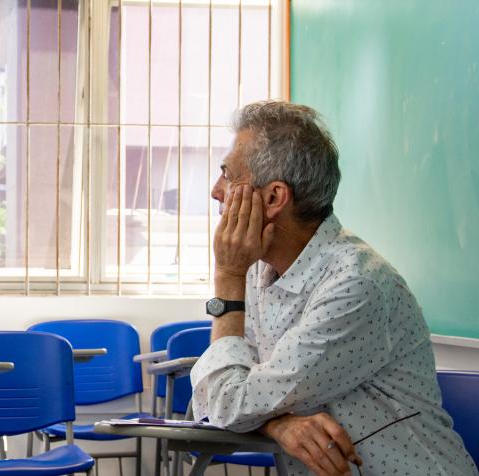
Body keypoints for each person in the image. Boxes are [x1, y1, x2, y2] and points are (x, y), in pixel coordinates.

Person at [190, 101, 478, 476]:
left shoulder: (355, 285)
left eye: (227, 176)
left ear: (275, 198)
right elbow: (212, 396)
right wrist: (276, 423)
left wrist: (226, 278)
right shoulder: (258, 272)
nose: (216, 191)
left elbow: (229, 400)